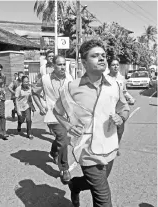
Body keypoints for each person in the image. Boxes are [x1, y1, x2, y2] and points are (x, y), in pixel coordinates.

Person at [53, 39, 130, 207]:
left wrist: (121, 117)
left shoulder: (114, 85)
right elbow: (57, 111)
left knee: (94, 182)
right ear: (84, 62)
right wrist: (68, 126)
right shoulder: (72, 87)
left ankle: (75, 185)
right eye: (95, 56)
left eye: (103, 55)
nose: (102, 58)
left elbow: (123, 107)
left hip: (109, 146)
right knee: (103, 196)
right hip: (86, 149)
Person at [32, 55, 74, 184]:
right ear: (53, 66)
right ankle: (64, 169)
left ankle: (53, 151)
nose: (62, 67)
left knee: (61, 139)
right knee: (63, 139)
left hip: (67, 114)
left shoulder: (69, 78)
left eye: (63, 64)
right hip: (52, 114)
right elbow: (34, 92)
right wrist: (40, 107)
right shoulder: (44, 79)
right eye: (59, 65)